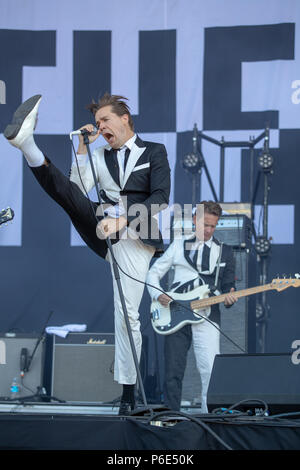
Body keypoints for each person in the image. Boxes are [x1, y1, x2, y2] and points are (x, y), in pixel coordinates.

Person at [4, 93, 171, 415]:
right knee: (68, 197)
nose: (101, 127)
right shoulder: (98, 155)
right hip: (103, 223)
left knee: (128, 317)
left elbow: (161, 196)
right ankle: (27, 145)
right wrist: (83, 147)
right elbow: (75, 188)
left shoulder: (154, 151)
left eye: (105, 120)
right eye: (97, 123)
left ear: (125, 119)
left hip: (137, 237)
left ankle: (128, 394)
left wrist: (124, 219)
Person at [146, 201, 237, 413]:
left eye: (212, 226)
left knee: (210, 372)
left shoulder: (225, 252)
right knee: (173, 372)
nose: (207, 230)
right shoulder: (178, 245)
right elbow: (153, 273)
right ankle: (171, 417)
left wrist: (230, 296)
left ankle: (210, 420)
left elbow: (227, 288)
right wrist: (159, 294)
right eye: (204, 224)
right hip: (176, 314)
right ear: (194, 220)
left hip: (207, 316)